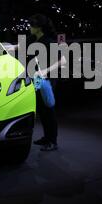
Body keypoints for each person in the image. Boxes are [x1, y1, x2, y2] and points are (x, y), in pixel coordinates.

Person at [27, 14, 66, 151]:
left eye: (31, 25)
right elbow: (20, 46)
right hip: (37, 78)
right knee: (42, 109)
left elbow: (63, 61)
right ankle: (46, 137)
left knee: (48, 109)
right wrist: (10, 48)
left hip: (48, 78)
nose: (29, 27)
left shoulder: (49, 42)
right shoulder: (33, 39)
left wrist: (46, 71)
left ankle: (52, 141)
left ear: (38, 28)